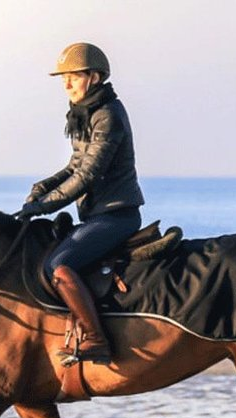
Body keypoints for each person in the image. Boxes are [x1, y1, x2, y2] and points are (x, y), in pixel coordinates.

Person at [18, 43, 145, 364]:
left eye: (73, 76)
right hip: (94, 216)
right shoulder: (84, 113)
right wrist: (42, 188)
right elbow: (75, 166)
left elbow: (89, 174)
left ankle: (96, 338)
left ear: (95, 76)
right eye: (64, 78)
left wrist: (45, 207)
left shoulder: (108, 115)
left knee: (57, 268)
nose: (66, 84)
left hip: (116, 216)